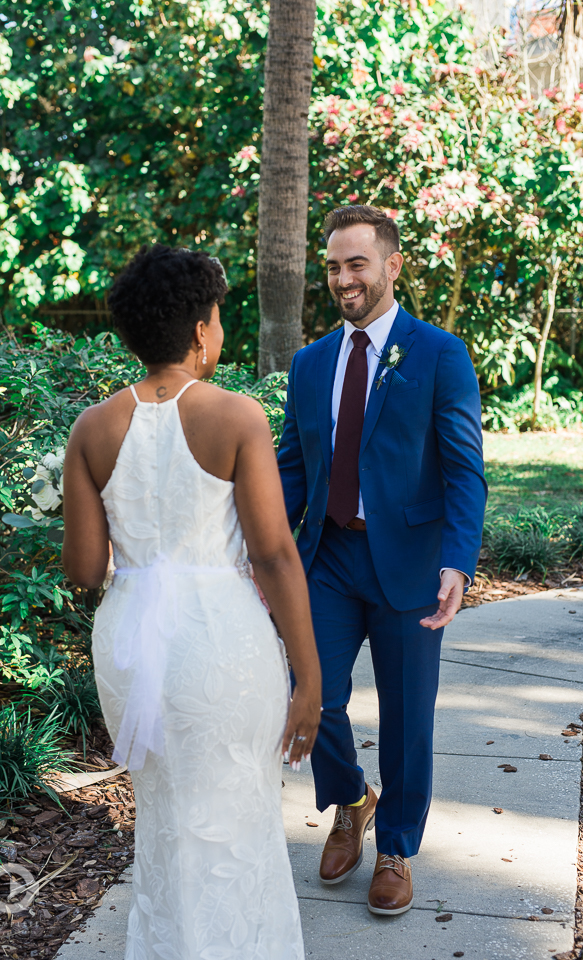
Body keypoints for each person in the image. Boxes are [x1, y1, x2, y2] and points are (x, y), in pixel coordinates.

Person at [62, 244, 322, 960]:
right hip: (219, 644)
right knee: (236, 822)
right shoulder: (236, 416)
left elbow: (85, 567)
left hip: (131, 646)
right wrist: (310, 679)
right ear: (202, 329)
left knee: (168, 822)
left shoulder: (91, 427)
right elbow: (272, 554)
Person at [277, 205, 487, 916]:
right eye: (333, 266)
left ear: (392, 265)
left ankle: (394, 845)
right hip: (328, 557)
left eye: (356, 263)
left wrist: (457, 561)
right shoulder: (308, 365)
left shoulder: (437, 353)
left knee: (406, 718)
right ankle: (348, 800)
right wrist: (251, 542)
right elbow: (290, 470)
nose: (343, 279)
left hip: (409, 563)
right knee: (314, 695)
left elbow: (464, 470)